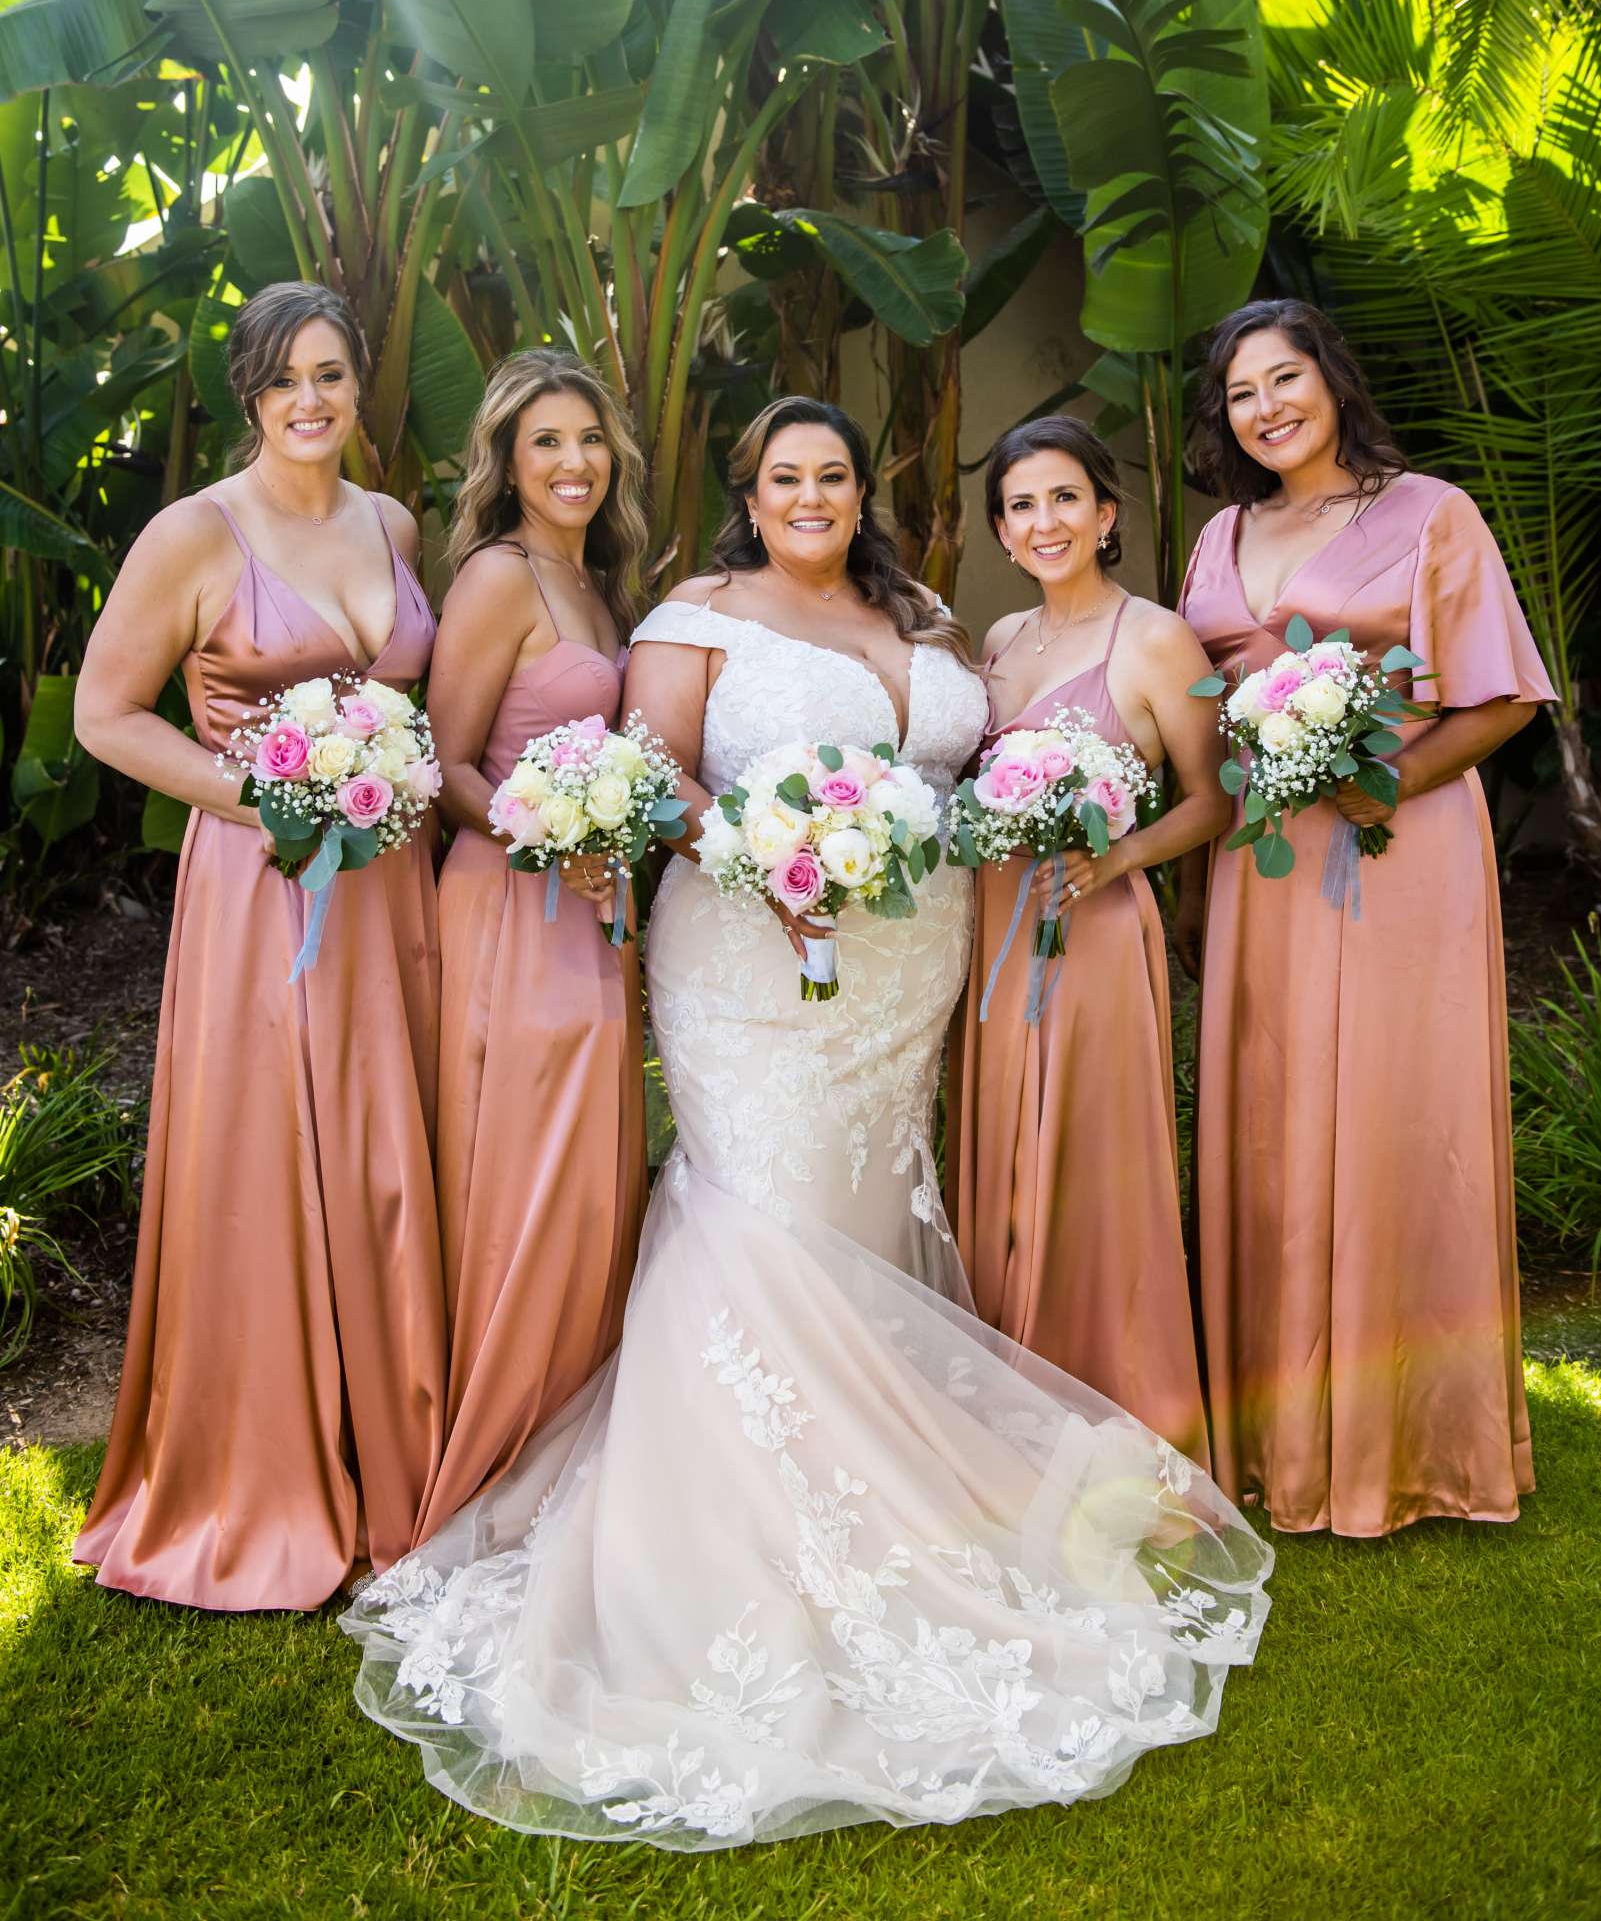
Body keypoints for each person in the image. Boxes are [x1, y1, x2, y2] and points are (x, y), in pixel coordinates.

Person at [343, 396, 1271, 1849]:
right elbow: (655, 784)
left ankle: (896, 1484)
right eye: (785, 476)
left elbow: (966, 774)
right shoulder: (695, 614)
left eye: (834, 473)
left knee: (859, 1224)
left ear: (864, 489)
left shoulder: (928, 620)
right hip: (748, 957)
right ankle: (731, 1545)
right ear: (748, 492)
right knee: (756, 1219)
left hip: (906, 973)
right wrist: (767, 857)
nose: (812, 495)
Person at [72, 282, 444, 1608]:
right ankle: (261, 1469)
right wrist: (262, 797)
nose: (311, 402)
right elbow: (105, 715)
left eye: (333, 376)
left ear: (357, 387)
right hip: (262, 883)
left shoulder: (390, 522)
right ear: (251, 392)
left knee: (385, 1146)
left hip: (387, 883)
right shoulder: (196, 533)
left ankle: (389, 1451)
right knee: (272, 1148)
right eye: (287, 379)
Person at [1179, 298, 1552, 1536]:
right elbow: (1196, 707)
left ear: (1331, 381)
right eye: (1241, 393)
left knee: (1398, 1110)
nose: (1267, 407)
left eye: (1286, 379)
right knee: (1273, 1116)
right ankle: (1280, 1438)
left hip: (1399, 847)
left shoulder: (1428, 513)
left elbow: (1499, 701)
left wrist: (1370, 774)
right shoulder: (1218, 535)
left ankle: (1418, 1442)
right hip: (1260, 865)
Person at [949, 419, 1226, 1460]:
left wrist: (1115, 858)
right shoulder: (997, 643)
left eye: (1063, 498)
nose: (1043, 520)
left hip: (1095, 933)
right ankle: (1011, 1409)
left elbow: (1211, 799)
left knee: (1091, 1160)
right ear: (1002, 533)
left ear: (1104, 515)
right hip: (996, 935)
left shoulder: (1152, 638)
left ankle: (1122, 1412)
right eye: (1020, 505)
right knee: (1003, 1154)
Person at [413, 350, 649, 1541]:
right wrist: (541, 843)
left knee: (591, 1173)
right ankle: (502, 1438)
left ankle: (572, 1418)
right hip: (508, 903)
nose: (574, 462)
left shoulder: (596, 584)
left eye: (591, 439)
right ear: (505, 461)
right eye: (547, 442)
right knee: (525, 1167)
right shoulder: (500, 579)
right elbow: (445, 761)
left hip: (589, 909)